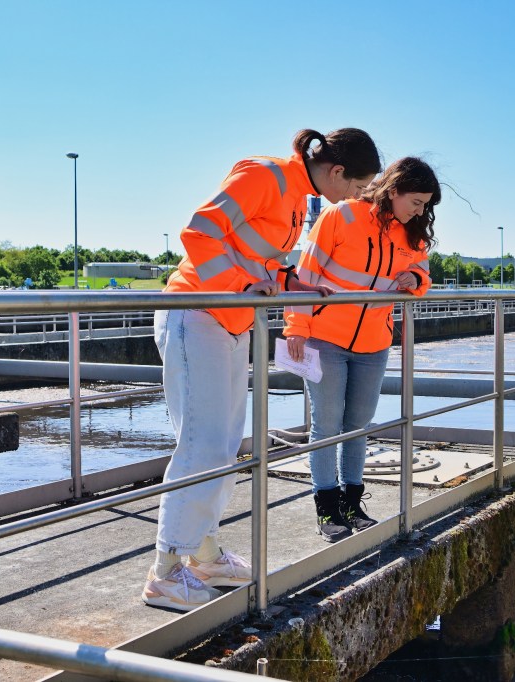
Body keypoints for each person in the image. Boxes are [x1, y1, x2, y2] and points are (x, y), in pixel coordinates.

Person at [143, 128, 381, 611]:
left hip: (230, 322)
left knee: (224, 444)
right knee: (202, 444)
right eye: (357, 188)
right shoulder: (265, 175)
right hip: (196, 312)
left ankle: (204, 555)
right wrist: (241, 285)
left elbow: (259, 260)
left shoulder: (296, 194)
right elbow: (199, 231)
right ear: (337, 171)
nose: (355, 198)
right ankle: (165, 572)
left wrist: (293, 284)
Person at [284, 157, 440, 542]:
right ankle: (327, 509)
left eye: (425, 206)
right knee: (326, 425)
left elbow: (423, 276)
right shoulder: (341, 215)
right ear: (394, 190)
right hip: (324, 338)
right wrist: (297, 327)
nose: (419, 211)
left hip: (374, 344)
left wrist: (415, 276)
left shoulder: (413, 236)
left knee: (358, 426)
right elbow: (306, 275)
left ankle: (353, 506)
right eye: (416, 202)